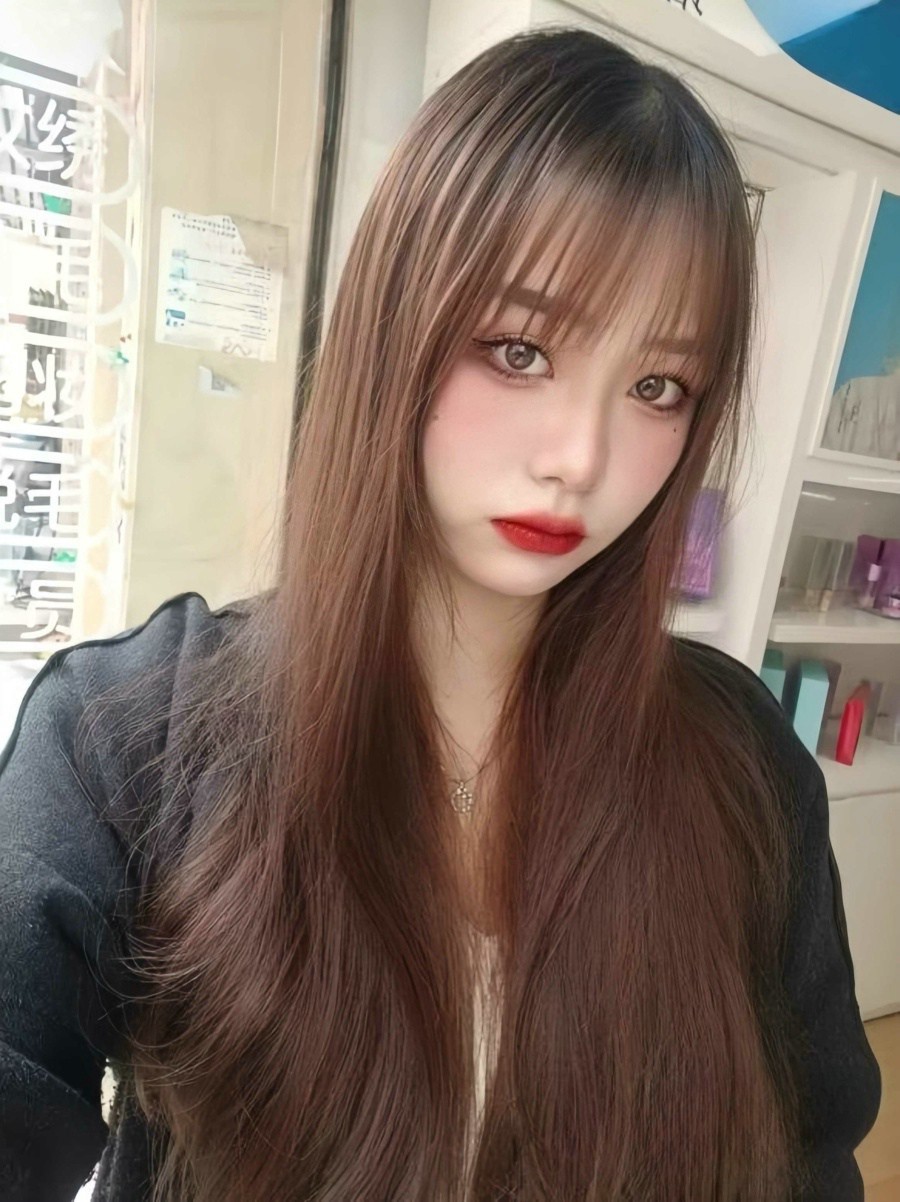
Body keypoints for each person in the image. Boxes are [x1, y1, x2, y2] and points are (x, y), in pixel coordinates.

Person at [0, 24, 882, 1202]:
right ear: (395, 326)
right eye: (519, 350)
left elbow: (812, 1152)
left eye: (656, 385)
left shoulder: (743, 761)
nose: (581, 456)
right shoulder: (129, 732)